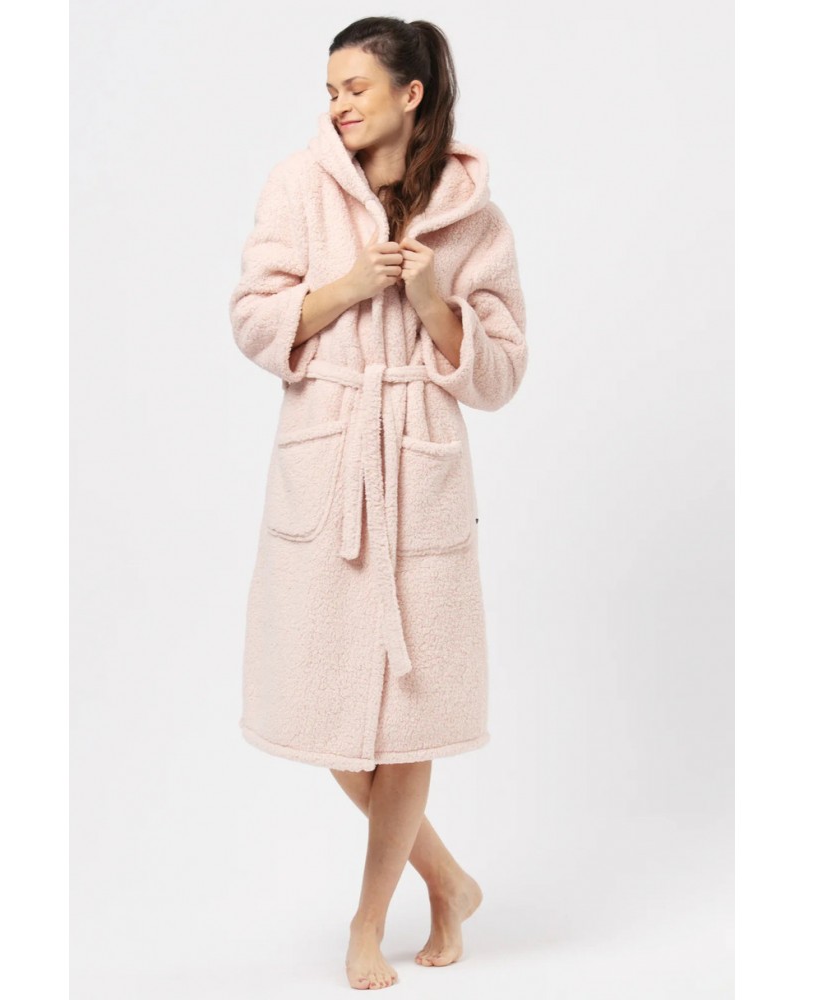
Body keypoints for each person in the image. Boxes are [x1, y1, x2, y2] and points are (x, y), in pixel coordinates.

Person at [229, 16, 528, 990]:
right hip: (329, 476)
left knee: (409, 717)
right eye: (330, 90)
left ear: (410, 93)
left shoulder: (473, 216)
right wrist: (353, 284)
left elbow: (501, 374)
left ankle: (368, 922)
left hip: (421, 477)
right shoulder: (297, 186)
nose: (338, 105)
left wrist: (436, 303)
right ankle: (449, 882)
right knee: (324, 707)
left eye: (355, 87)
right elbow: (253, 319)